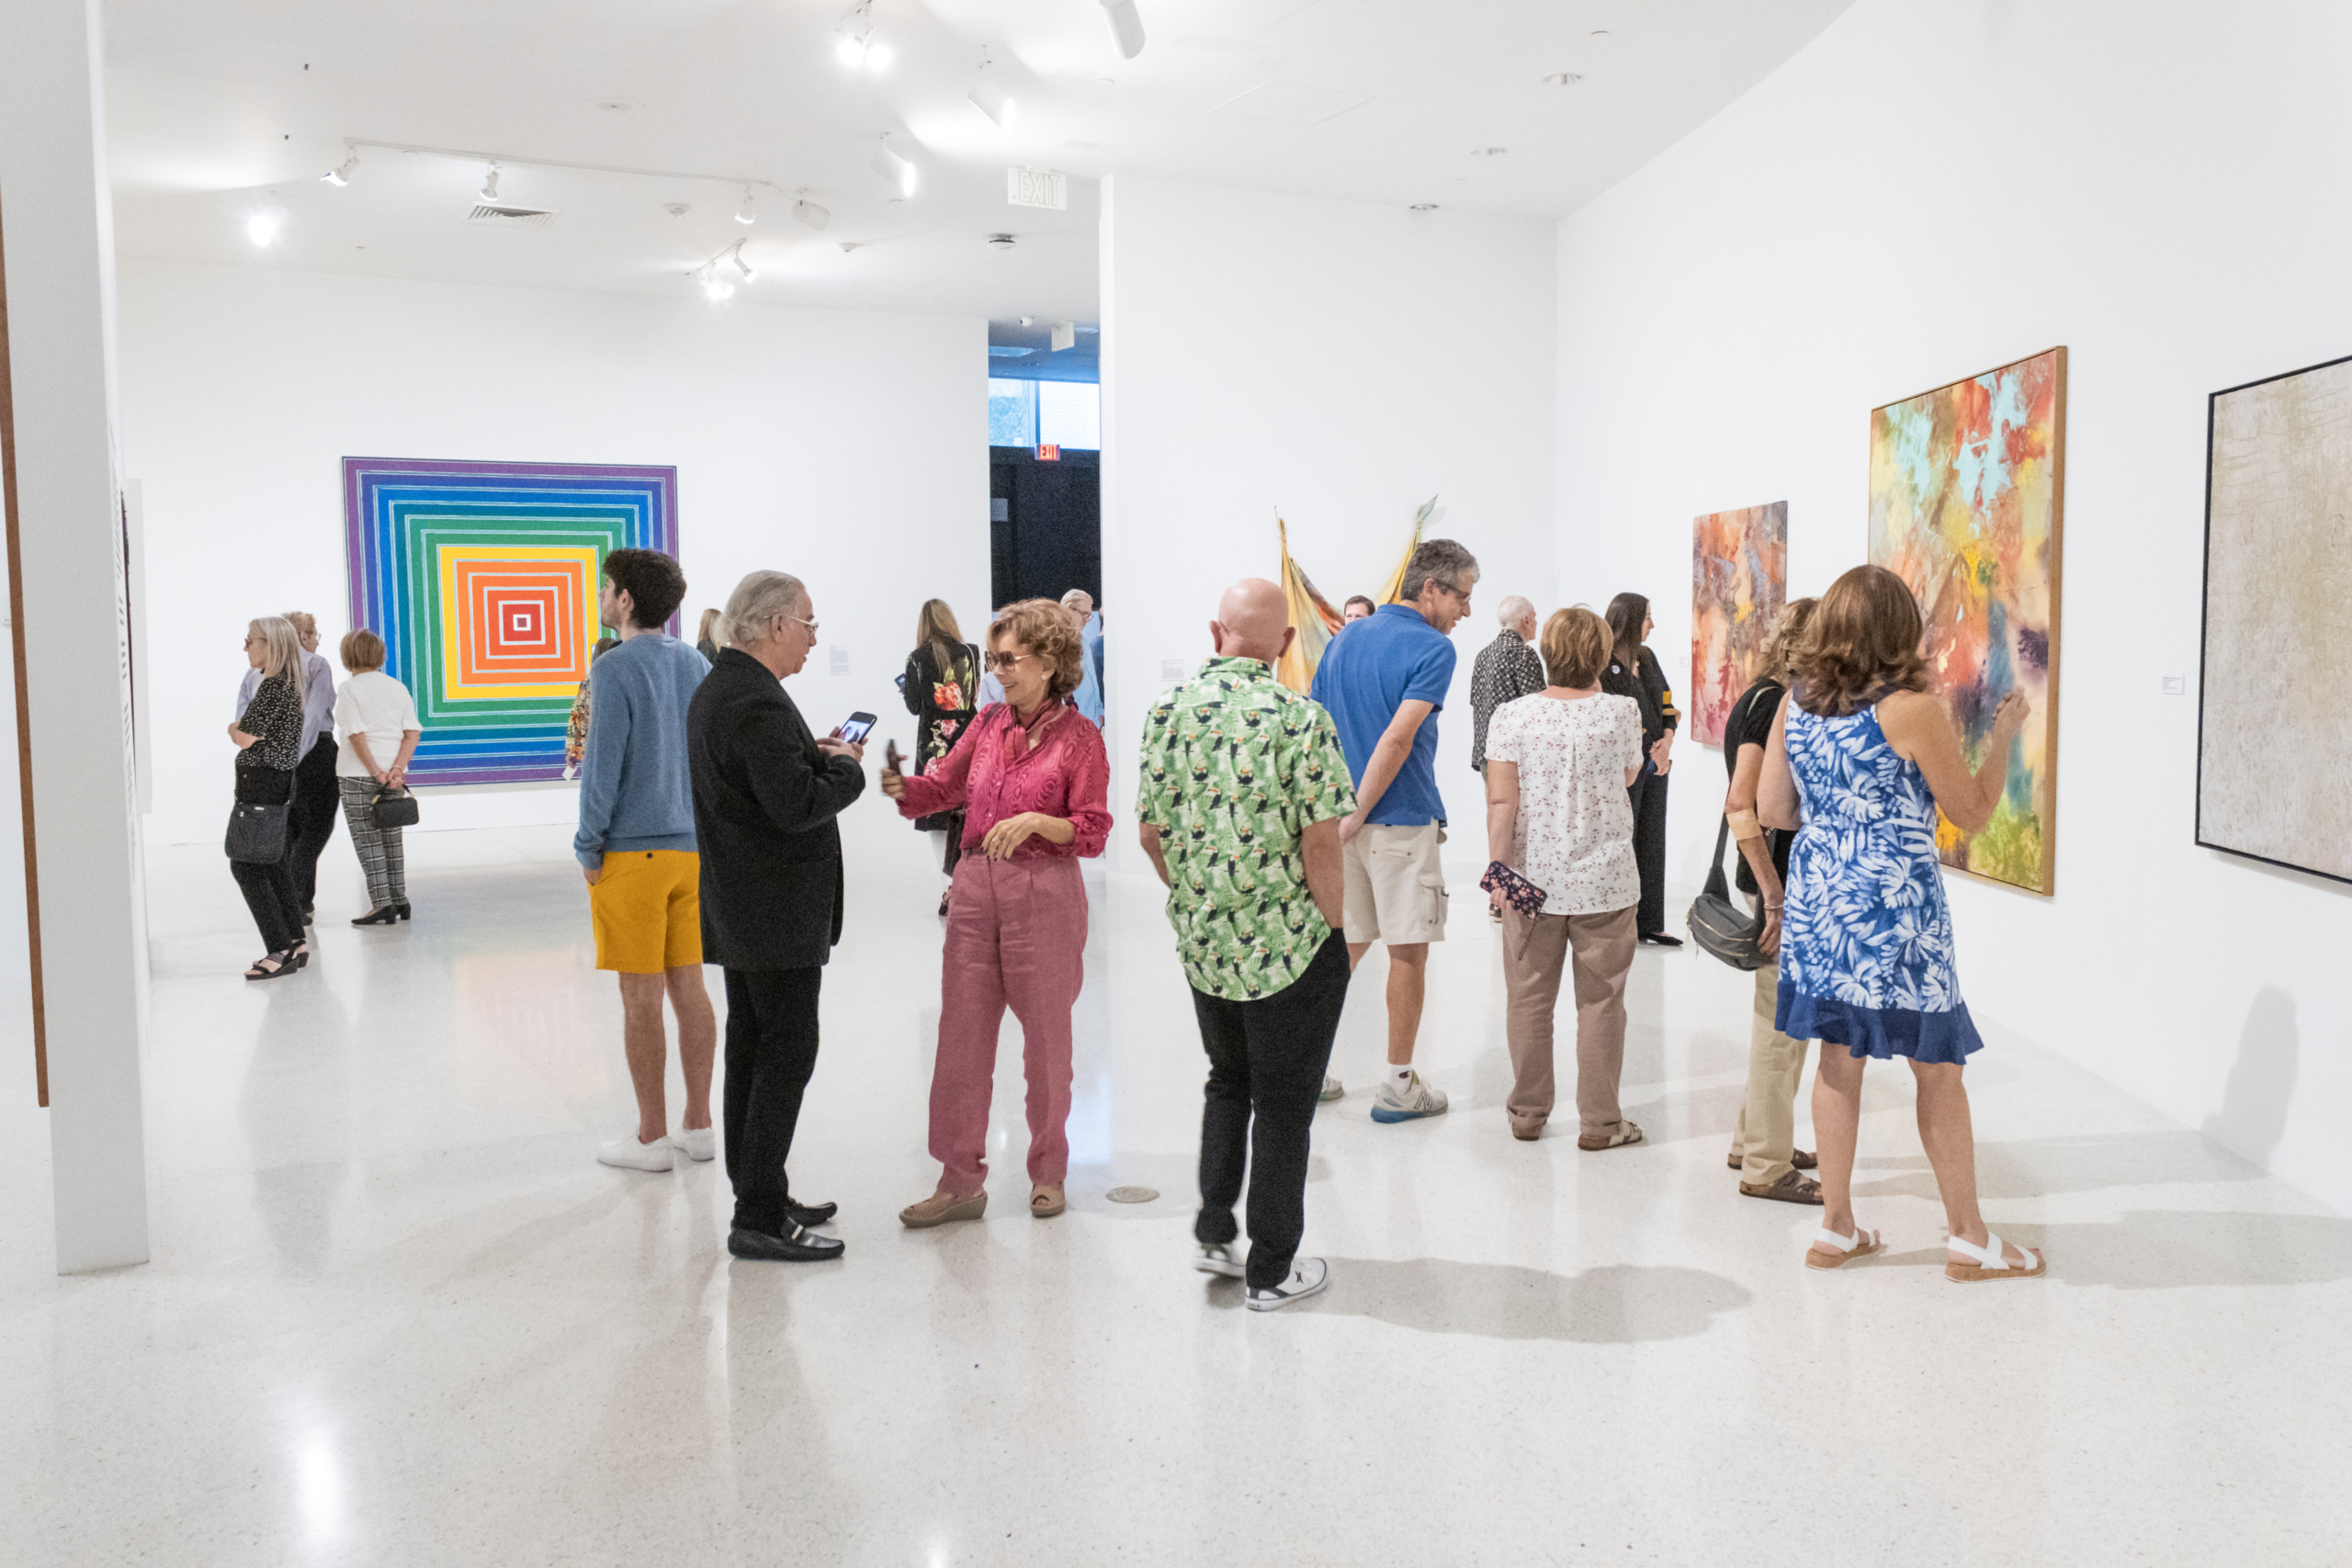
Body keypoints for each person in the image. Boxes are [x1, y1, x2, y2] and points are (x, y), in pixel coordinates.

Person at [1760, 564, 2043, 1282]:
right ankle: (1970, 1238)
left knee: (1836, 1060)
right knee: (1938, 1068)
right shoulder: (1910, 709)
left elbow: (1772, 810)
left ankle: (1835, 1227)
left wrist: (1836, 820)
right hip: (1896, 908)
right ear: (1898, 630)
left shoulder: (1793, 704)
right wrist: (2005, 731)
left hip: (1823, 903)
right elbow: (1973, 812)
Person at [1138, 578, 1355, 1310]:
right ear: (1287, 644)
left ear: (1214, 631)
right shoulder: (1300, 718)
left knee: (1227, 1079)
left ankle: (1213, 1229)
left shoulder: (1167, 713)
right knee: (1286, 1105)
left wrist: (1196, 893)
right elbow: (1321, 840)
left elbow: (1149, 832)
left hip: (1206, 942)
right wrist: (1333, 925)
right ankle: (1270, 1268)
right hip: (1288, 946)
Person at [883, 598, 1112, 1227]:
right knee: (960, 1038)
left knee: (1046, 1041)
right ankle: (959, 1178)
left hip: (1045, 890)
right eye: (994, 658)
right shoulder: (986, 723)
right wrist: (902, 786)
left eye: (1009, 659)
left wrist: (1042, 820)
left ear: (1049, 661)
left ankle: (1048, 1169)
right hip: (975, 886)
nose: (997, 670)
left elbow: (1092, 830)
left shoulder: (1080, 739)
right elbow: (945, 788)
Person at [688, 570, 865, 1263]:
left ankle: (757, 1187)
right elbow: (794, 806)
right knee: (784, 1053)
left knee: (753, 1049)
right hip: (773, 910)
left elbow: (769, 784)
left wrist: (806, 758)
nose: (815, 638)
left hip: (745, 906)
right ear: (774, 625)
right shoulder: (755, 703)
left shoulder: (726, 687)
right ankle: (757, 1213)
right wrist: (844, 769)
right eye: (810, 623)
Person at [1308, 537, 1479, 1120]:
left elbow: (1318, 725)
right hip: (1398, 820)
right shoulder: (1434, 649)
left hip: (1339, 825)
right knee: (1408, 953)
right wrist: (1359, 808)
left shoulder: (1344, 639)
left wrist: (1335, 813)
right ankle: (1399, 1085)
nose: (1466, 610)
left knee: (1344, 950)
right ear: (1430, 588)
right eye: (1462, 595)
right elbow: (1399, 737)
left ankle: (1310, 1069)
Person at [574, 548, 717, 1174]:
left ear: (626, 599)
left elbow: (601, 768)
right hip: (690, 851)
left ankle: (652, 1136)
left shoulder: (613, 668)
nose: (603, 598)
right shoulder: (695, 662)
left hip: (631, 855)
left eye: (608, 589)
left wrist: (587, 844)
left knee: (640, 998)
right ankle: (699, 1124)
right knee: (691, 988)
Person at [1481, 607, 1645, 1147]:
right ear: (1600, 654)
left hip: (1531, 881)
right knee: (1601, 1003)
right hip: (1606, 880)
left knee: (1527, 998)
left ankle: (1527, 1114)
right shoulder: (1621, 711)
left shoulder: (1512, 715)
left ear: (1546, 652)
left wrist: (1499, 874)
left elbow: (1502, 800)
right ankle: (1600, 1123)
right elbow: (1626, 774)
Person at [1722, 597, 1824, 1204]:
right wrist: (1775, 897)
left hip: (1772, 878)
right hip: (1777, 881)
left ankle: (1755, 1140)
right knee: (1780, 1026)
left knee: (1782, 1020)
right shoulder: (1770, 704)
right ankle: (1765, 1163)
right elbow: (1743, 802)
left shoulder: (1760, 695)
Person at [238, 610, 338, 923]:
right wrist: (295, 755)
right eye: (313, 635)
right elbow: (313, 715)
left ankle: (299, 902)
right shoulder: (314, 664)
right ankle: (295, 901)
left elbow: (243, 722)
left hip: (270, 757)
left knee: (291, 829)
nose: (315, 642)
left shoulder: (256, 674)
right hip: (314, 752)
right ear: (303, 636)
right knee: (316, 827)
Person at [228, 616, 311, 980]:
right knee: (272, 862)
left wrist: (233, 727)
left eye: (250, 641)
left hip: (262, 785)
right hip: (271, 784)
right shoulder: (285, 684)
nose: (245, 647)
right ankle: (295, 940)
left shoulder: (275, 686)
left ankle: (278, 949)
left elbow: (244, 735)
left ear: (270, 644)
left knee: (246, 864)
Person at [1601, 592, 1681, 946]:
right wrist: (1651, 747)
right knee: (1626, 841)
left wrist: (1667, 740)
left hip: (1655, 764)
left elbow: (1665, 700)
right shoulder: (1604, 665)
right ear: (1631, 620)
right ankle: (1621, 921)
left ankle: (1650, 921)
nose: (1653, 624)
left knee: (1652, 840)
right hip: (1624, 769)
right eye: (1648, 617)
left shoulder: (1646, 658)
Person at [334, 629, 422, 926]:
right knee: (392, 839)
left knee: (368, 840)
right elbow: (412, 733)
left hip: (358, 774)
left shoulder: (349, 689)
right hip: (394, 777)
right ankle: (400, 900)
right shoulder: (397, 687)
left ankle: (381, 904)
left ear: (348, 657)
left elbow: (355, 734)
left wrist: (375, 771)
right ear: (380, 655)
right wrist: (396, 768)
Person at [900, 599, 980, 917]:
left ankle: (951, 887)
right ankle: (970, 886)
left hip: (935, 746)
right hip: (970, 739)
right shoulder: (972, 652)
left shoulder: (916, 659)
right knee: (970, 813)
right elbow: (973, 696)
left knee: (937, 818)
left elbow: (915, 706)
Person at [1469, 595, 1546, 775]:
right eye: (1534, 617)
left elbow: (1475, 702)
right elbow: (1538, 708)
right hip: (1513, 757)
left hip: (1485, 753)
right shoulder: (1523, 654)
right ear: (1526, 620)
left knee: (1492, 804)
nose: (1536, 622)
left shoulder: (1482, 655)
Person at [563, 637, 620, 781]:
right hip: (618, 748)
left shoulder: (588, 683)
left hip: (594, 750)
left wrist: (573, 752)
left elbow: (577, 718)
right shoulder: (622, 681)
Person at [1061, 589, 1105, 727]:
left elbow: (1093, 682)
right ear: (1068, 610)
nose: (1088, 620)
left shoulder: (1084, 641)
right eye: (1084, 614)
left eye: (1089, 615)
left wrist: (1100, 712)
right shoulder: (1056, 644)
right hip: (1070, 727)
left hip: (1091, 723)